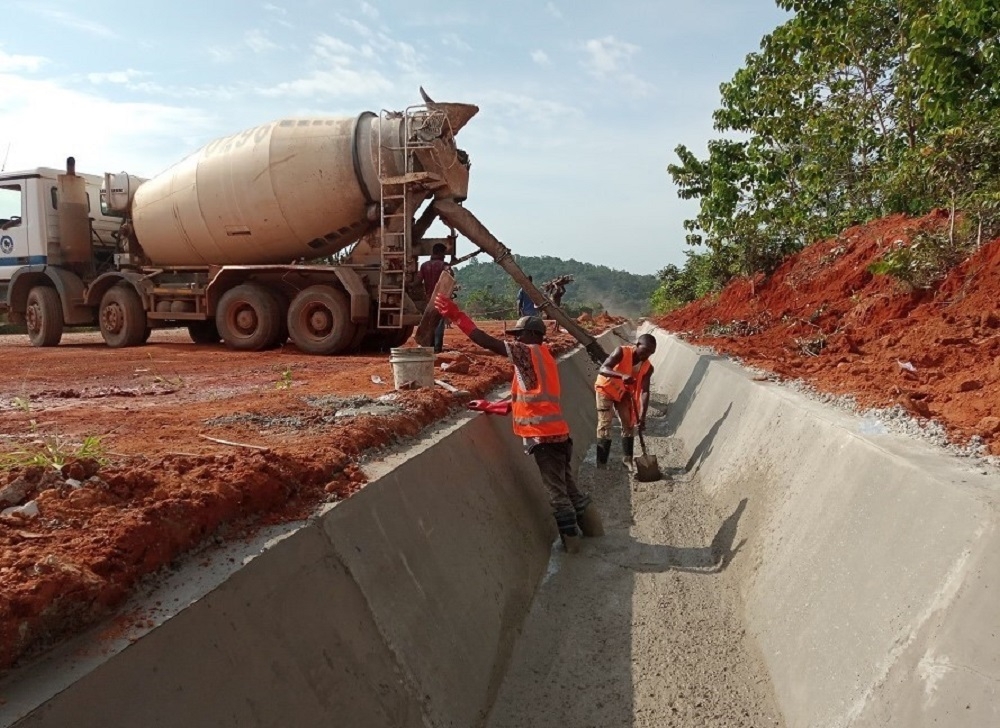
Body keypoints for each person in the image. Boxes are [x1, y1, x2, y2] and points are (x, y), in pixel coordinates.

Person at [435, 294, 602, 552]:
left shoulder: (528, 352)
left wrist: (458, 316)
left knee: (557, 494)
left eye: (518, 335)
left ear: (531, 335)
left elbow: (485, 341)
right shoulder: (544, 358)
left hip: (543, 439)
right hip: (559, 435)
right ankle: (594, 531)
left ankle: (572, 546)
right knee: (569, 487)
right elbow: (529, 400)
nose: (514, 340)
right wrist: (493, 406)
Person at [594, 333, 657, 471]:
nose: (646, 355)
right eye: (645, 350)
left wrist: (643, 417)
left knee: (629, 424)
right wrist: (622, 376)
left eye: (650, 353)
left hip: (624, 393)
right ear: (637, 345)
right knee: (605, 424)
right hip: (606, 389)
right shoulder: (621, 351)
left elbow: (645, 391)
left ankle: (627, 460)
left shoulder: (648, 367)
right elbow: (603, 368)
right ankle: (601, 463)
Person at [419, 243, 451, 353]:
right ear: (441, 253)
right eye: (444, 253)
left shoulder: (424, 266)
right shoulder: (444, 265)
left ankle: (429, 346)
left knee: (429, 322)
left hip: (428, 298)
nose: (445, 256)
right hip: (440, 298)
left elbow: (418, 281)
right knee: (439, 323)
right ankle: (437, 348)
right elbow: (450, 278)